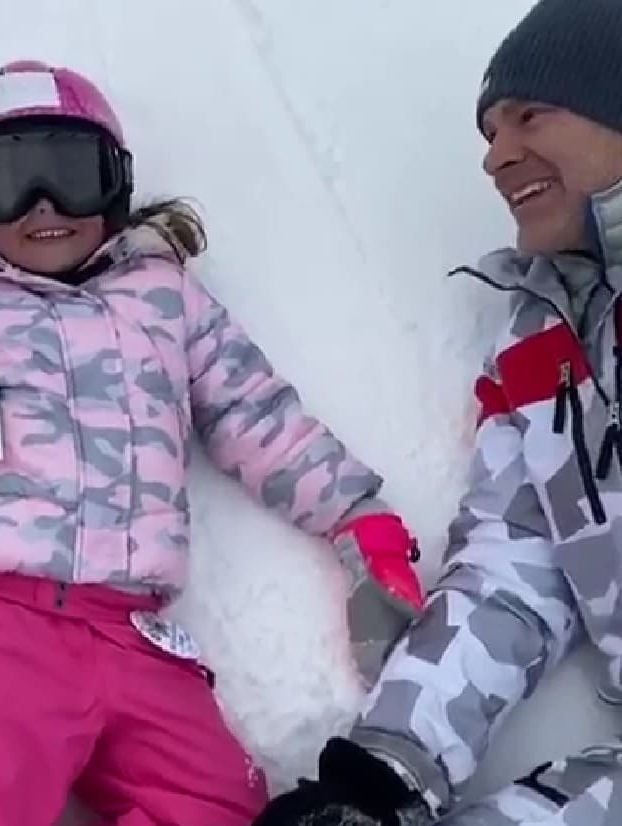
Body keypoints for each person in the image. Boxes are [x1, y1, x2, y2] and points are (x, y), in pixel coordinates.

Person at [0, 60, 423, 826]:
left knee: (217, 808)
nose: (43, 206)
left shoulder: (165, 301)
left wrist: (358, 520)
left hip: (137, 635)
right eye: (7, 182)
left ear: (113, 184)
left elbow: (257, 414)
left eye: (69, 174)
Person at [252, 1, 622, 824]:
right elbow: (518, 565)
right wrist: (381, 772)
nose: (496, 155)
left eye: (531, 114)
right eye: (489, 130)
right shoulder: (540, 343)